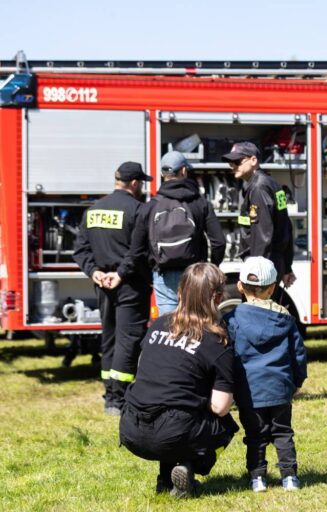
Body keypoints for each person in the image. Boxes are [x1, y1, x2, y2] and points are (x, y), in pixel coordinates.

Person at [119, 263, 239, 498]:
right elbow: (220, 406)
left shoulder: (158, 325)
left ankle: (166, 480)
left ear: (180, 291)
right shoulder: (217, 340)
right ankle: (189, 467)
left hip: (131, 427)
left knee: (176, 415)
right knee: (224, 426)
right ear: (217, 297)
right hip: (171, 432)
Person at [73, 161, 153, 415]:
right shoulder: (138, 210)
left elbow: (80, 249)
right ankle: (119, 399)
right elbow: (138, 251)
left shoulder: (94, 209)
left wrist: (94, 272)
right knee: (127, 341)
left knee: (109, 339)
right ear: (135, 183)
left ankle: (110, 394)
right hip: (129, 284)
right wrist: (120, 274)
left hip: (103, 285)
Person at [226, 257, 307, 492]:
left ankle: (257, 478)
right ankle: (289, 477)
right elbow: (298, 354)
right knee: (283, 432)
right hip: (280, 388)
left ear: (240, 286)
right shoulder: (286, 319)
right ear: (272, 288)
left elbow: (226, 355)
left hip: (248, 391)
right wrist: (297, 380)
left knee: (255, 435)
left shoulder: (231, 319)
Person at [125, 151, 225, 315]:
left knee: (169, 330)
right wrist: (212, 268)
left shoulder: (149, 207)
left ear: (162, 174)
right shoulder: (200, 203)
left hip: (163, 275)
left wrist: (151, 276)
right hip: (196, 275)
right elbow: (219, 242)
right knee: (197, 326)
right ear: (184, 171)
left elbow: (136, 251)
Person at [223, 141, 296, 289]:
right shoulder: (270, 183)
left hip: (262, 267)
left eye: (237, 161)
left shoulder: (258, 188)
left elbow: (262, 236)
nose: (232, 166)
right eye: (230, 162)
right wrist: (287, 266)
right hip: (272, 263)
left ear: (253, 160)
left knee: (256, 311)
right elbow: (286, 227)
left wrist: (254, 275)